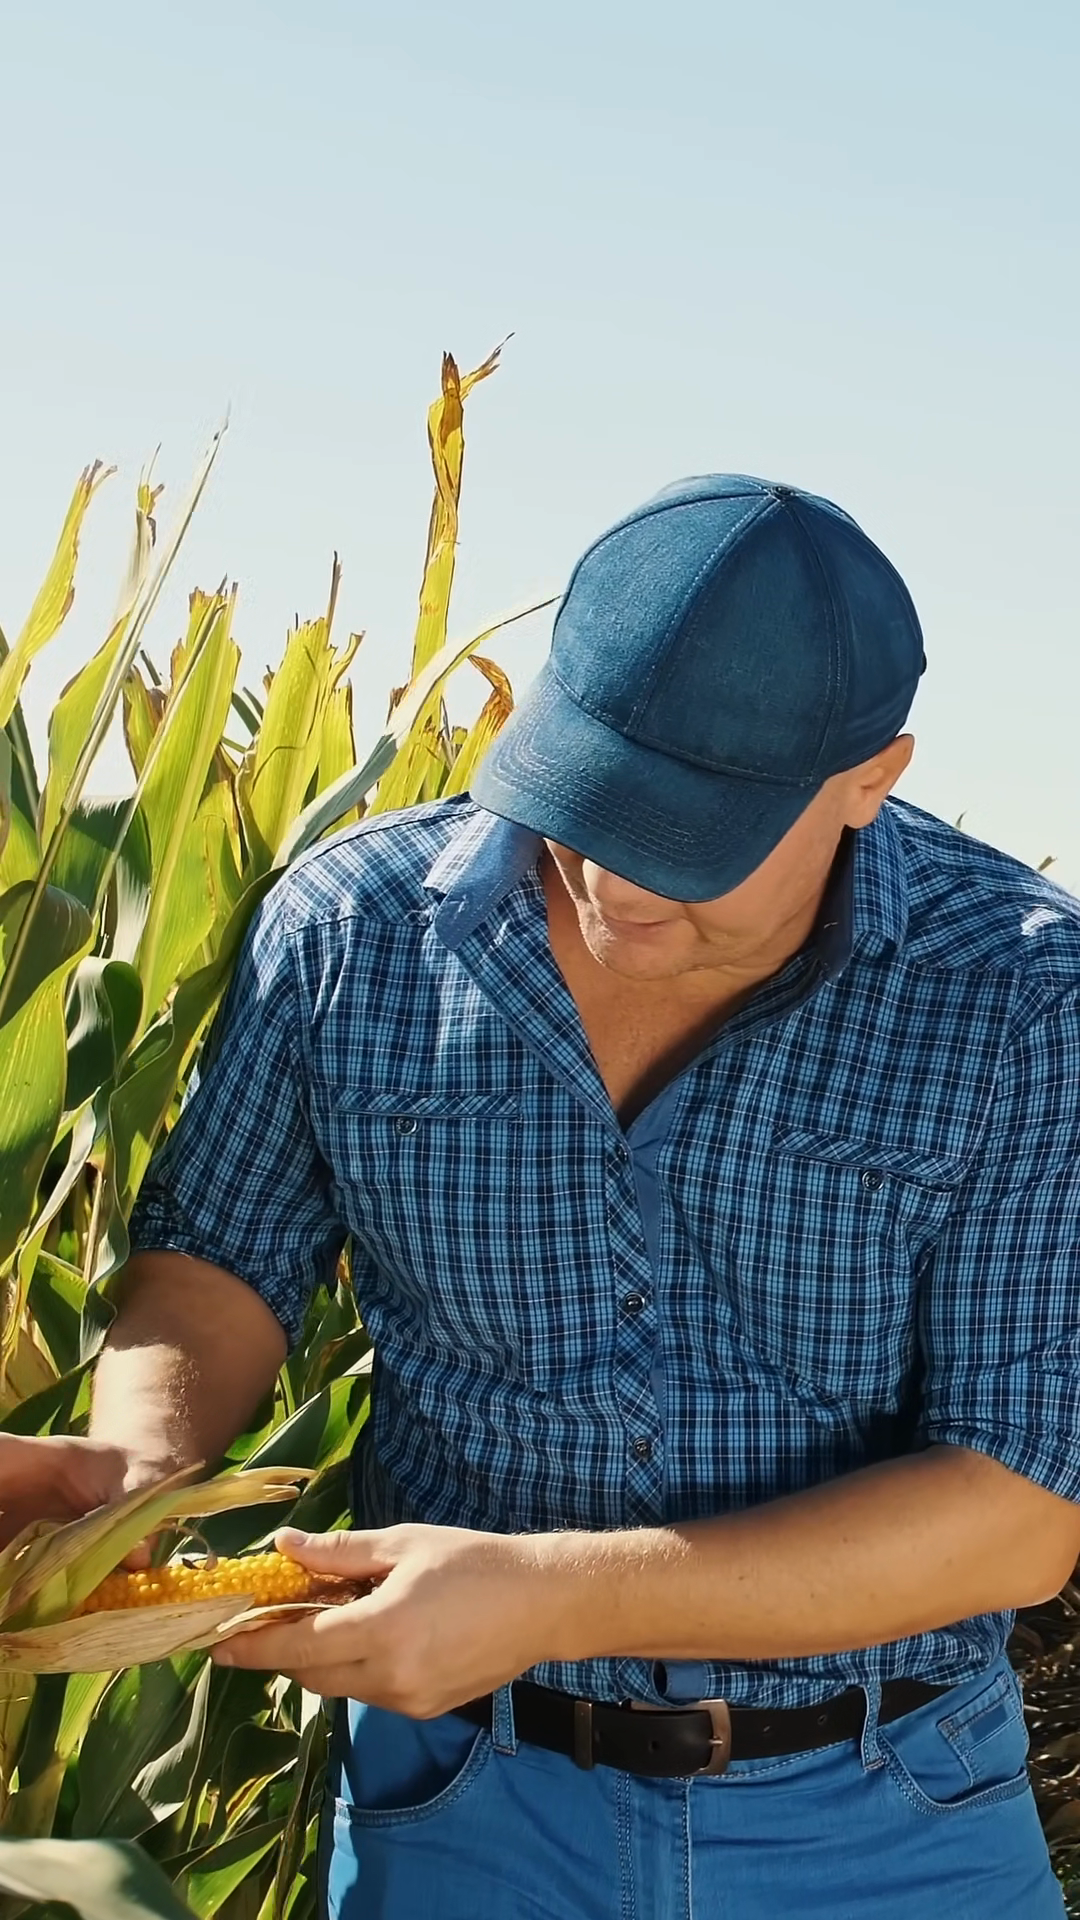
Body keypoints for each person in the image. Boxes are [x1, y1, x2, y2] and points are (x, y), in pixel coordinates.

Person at [87, 475, 1080, 1918]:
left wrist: (555, 1594)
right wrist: (133, 1474)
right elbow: (216, 1260)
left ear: (872, 780)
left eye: (690, 839)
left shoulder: (1023, 994)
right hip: (464, 1808)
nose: (616, 882)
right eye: (587, 800)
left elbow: (1016, 1509)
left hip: (887, 1820)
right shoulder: (353, 930)